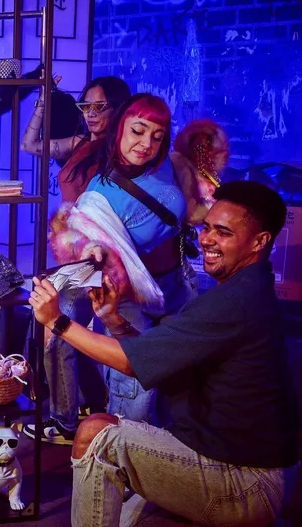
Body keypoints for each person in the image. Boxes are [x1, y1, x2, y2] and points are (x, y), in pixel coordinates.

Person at [28, 180, 300, 527]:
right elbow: (155, 359)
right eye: (206, 228)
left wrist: (58, 322)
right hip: (229, 458)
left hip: (246, 481)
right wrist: (113, 319)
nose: (207, 240)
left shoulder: (235, 302)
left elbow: (131, 362)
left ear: (259, 242)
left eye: (223, 233)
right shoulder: (247, 290)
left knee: (95, 435)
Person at [50, 93, 197, 427]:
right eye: (138, 131)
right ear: (120, 130)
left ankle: (170, 456)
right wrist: (92, 250)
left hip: (177, 286)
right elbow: (81, 242)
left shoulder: (168, 164)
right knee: (136, 394)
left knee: (179, 385)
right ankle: (126, 454)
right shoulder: (100, 194)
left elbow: (192, 209)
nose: (146, 144)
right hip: (131, 299)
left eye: (157, 136)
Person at [21, 76, 131, 445]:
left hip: (100, 257)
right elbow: (29, 145)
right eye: (86, 106)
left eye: (100, 107)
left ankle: (65, 423)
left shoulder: (123, 153)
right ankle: (92, 403)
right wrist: (43, 100)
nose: (91, 114)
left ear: (118, 108)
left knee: (60, 331)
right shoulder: (80, 144)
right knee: (69, 331)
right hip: (73, 254)